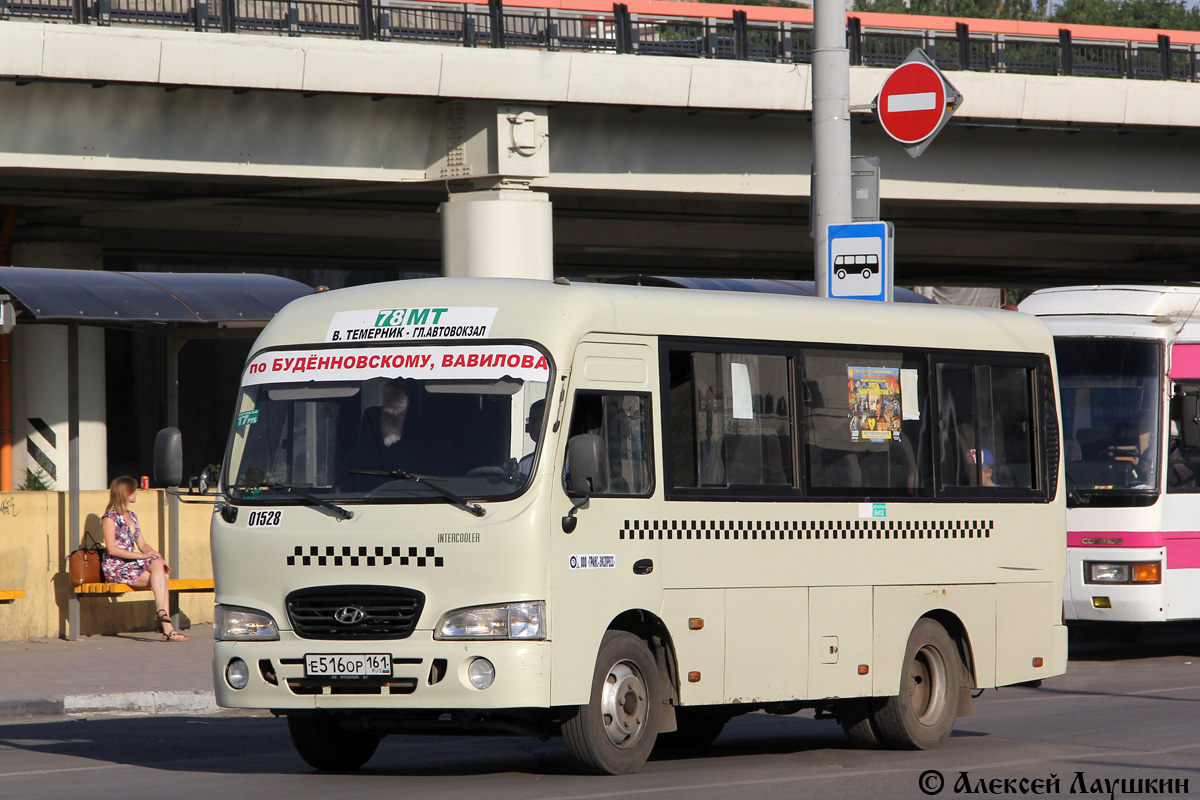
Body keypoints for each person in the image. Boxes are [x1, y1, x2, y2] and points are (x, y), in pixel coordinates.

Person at [100, 476, 190, 642]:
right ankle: (167, 627)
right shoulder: (109, 518)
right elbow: (112, 549)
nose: (136, 494)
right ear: (125, 493)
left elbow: (143, 544)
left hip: (134, 564)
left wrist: (157, 556)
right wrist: (142, 556)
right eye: (133, 491)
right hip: (117, 566)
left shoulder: (132, 515)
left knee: (159, 570)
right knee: (161, 580)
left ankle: (163, 618)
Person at [517, 399, 545, 479]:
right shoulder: (524, 463)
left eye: (540, 419)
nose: (535, 425)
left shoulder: (568, 461)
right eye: (532, 420)